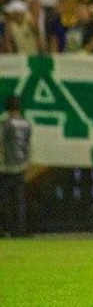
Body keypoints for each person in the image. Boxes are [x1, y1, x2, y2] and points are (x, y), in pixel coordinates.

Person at [0, 96, 31, 238]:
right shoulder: (26, 124)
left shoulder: (4, 124)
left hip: (5, 167)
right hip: (21, 167)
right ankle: (18, 230)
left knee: (4, 200)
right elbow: (28, 145)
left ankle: (4, 229)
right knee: (19, 200)